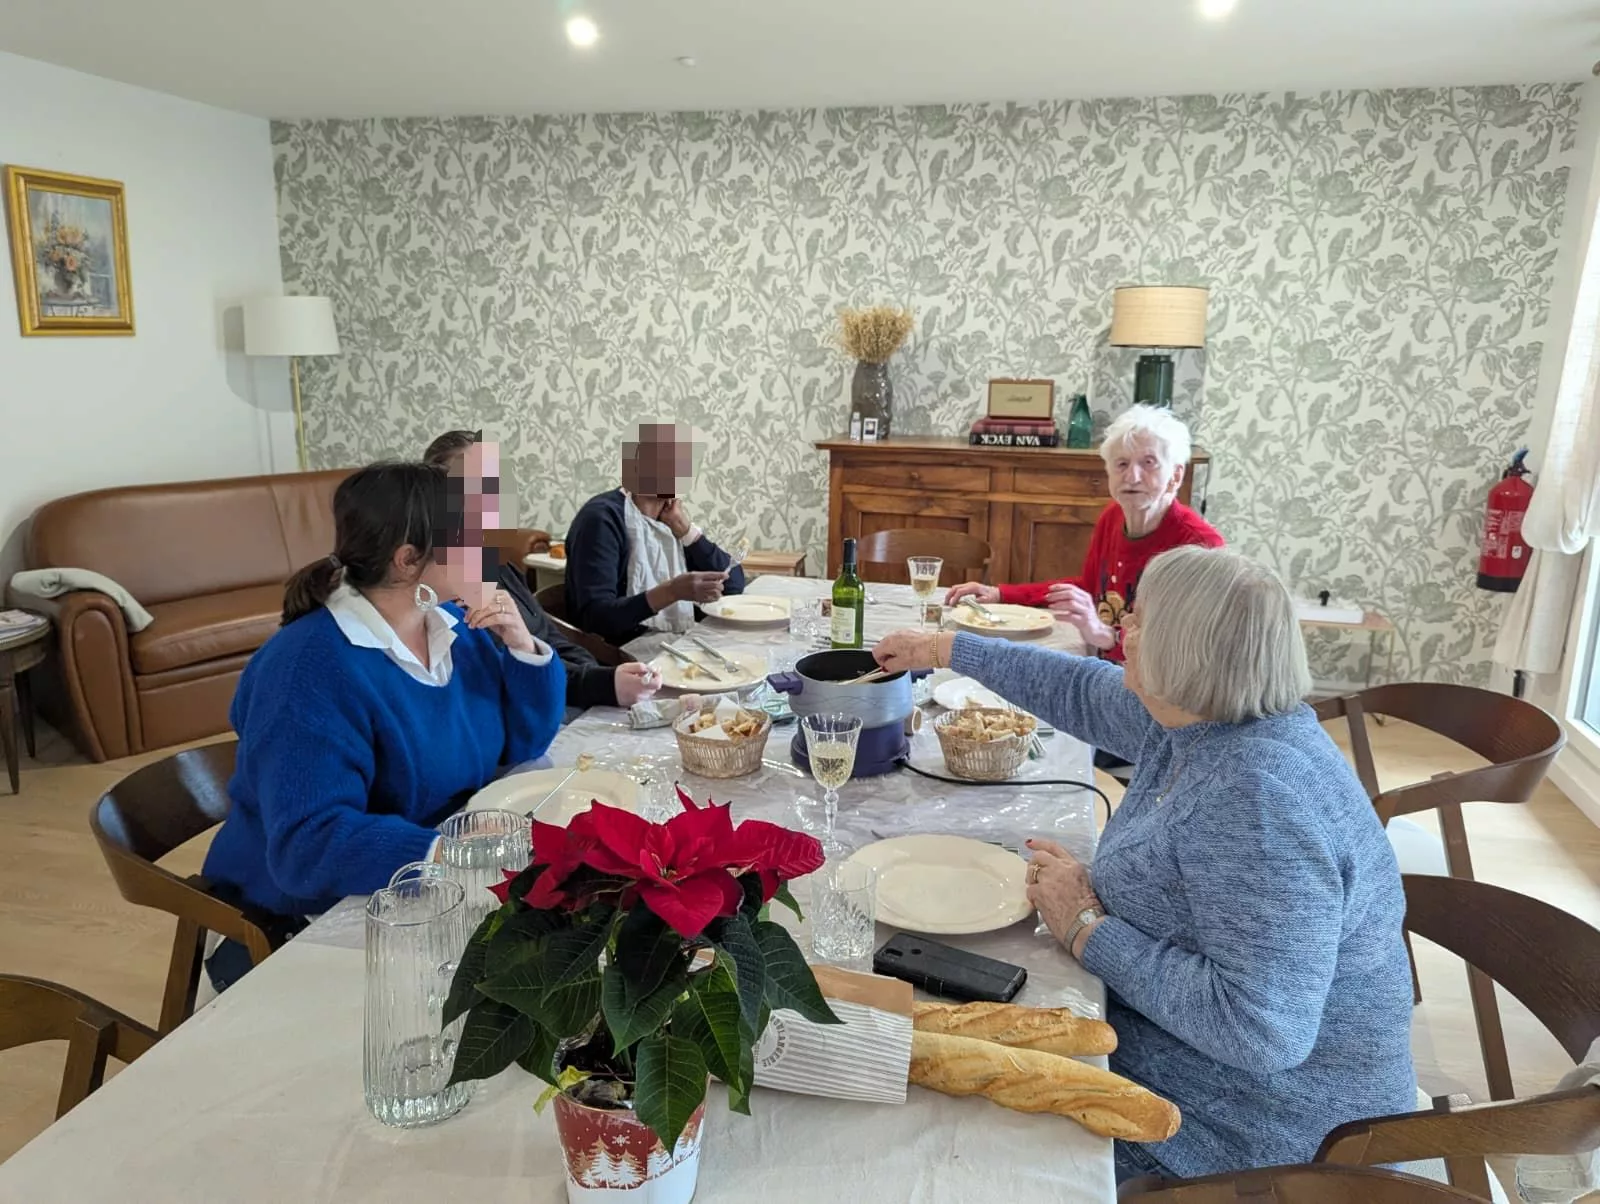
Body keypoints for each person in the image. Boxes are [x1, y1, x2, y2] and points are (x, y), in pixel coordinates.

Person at [874, 545, 1415, 1182]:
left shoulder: (1256, 798)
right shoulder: (1207, 720)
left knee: (933, 1139)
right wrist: (943, 649)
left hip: (1257, 1137)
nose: (1122, 623)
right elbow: (1079, 689)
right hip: (1185, 1060)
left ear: (1188, 651)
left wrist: (1085, 928)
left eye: (1141, 616)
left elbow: (1260, 1032)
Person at [201, 461, 567, 989]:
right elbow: (309, 845)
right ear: (408, 558)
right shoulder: (307, 669)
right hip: (311, 910)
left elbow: (523, 744)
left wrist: (522, 647)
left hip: (428, 871)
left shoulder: (454, 625)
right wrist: (447, 851)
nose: (484, 555)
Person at [947, 404, 1222, 662]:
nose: (1132, 477)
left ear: (1175, 476)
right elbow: (1089, 588)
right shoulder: (1113, 517)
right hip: (1107, 668)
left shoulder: (1200, 546)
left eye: (1148, 463)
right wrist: (1001, 594)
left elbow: (1188, 646)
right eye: (1122, 464)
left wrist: (1107, 636)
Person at [423, 430, 660, 721]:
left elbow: (552, 639)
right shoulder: (440, 587)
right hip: (525, 717)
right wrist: (601, 683)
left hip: (564, 696)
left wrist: (597, 675)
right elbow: (504, 674)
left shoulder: (496, 565)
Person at [565, 421, 747, 651]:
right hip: (617, 654)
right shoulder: (602, 519)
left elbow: (733, 585)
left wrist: (686, 531)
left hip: (672, 641)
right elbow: (596, 619)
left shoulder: (669, 520)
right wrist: (672, 592)